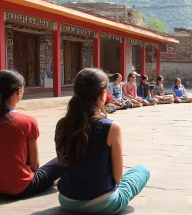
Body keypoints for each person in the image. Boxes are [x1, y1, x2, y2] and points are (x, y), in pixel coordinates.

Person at [55, 68, 150, 214]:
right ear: (103, 94)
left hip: (67, 200)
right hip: (102, 203)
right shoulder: (110, 127)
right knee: (142, 170)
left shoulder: (62, 124)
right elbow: (118, 178)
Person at [0, 70, 61, 199]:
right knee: (62, 158)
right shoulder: (26, 122)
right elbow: (35, 166)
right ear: (19, 91)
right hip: (19, 188)